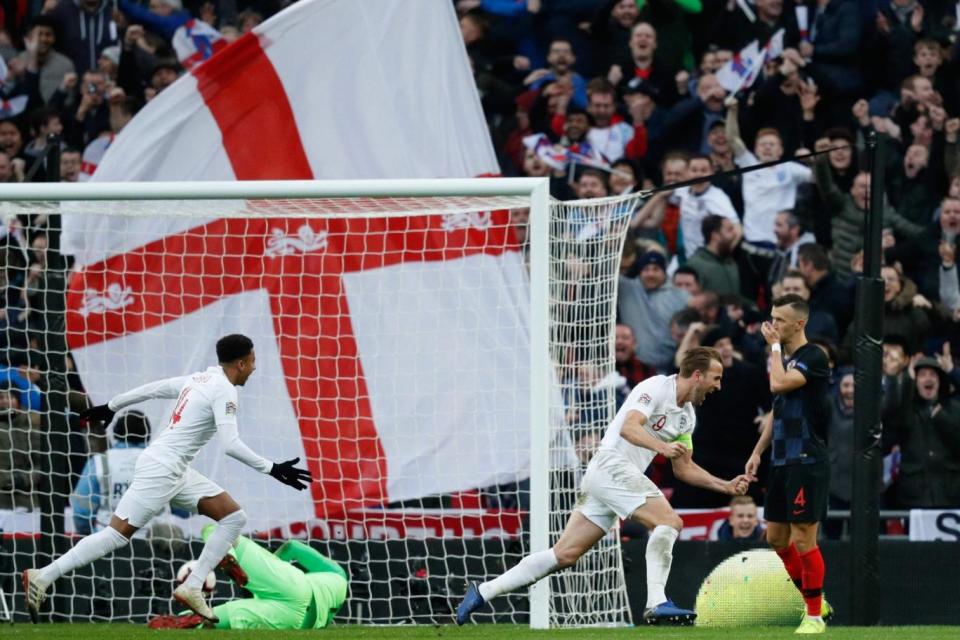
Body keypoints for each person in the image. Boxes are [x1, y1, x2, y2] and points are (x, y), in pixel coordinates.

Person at [22, 334, 313, 623]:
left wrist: (111, 406)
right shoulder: (224, 390)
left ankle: (192, 585)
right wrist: (273, 468)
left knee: (234, 517)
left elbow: (153, 389)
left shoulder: (200, 379)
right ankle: (43, 576)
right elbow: (230, 444)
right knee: (116, 535)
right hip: (163, 468)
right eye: (252, 361)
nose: (254, 367)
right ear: (240, 362)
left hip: (175, 469)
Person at [457, 347, 750, 626]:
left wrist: (723, 485)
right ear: (697, 375)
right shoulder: (657, 387)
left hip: (613, 479)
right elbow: (629, 427)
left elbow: (683, 467)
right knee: (669, 521)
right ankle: (656, 601)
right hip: (611, 466)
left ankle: (483, 591)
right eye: (716, 378)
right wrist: (662, 447)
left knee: (564, 554)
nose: (719, 386)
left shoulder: (687, 417)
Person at [745, 294, 834, 634]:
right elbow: (777, 408)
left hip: (806, 458)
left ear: (799, 323)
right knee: (776, 538)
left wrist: (774, 349)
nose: (773, 325)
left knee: (803, 538)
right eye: (772, 318)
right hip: (782, 459)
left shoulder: (813, 356)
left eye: (779, 320)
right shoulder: (789, 359)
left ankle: (813, 615)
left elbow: (777, 383)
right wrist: (757, 452)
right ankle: (817, 601)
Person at [148, 527, 348, 630]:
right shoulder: (329, 612)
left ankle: (229, 554)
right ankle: (186, 621)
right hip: (295, 622)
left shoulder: (338, 574)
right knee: (210, 619)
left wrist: (272, 562)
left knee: (218, 531)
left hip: (297, 586)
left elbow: (293, 547)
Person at [70, 410, 151, 535]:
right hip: (155, 545)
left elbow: (81, 513)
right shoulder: (164, 463)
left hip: (109, 542)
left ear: (115, 433)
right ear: (148, 435)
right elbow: (183, 510)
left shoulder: (100, 462)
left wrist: (89, 536)